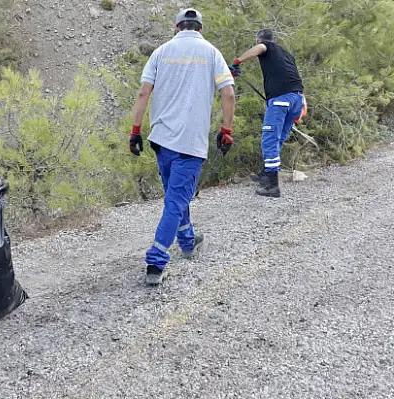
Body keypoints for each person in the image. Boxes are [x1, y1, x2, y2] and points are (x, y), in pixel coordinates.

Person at [129, 8, 236, 286]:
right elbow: (229, 93)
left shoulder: (161, 51)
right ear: (200, 29)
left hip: (161, 140)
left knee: (174, 196)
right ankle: (156, 261)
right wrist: (226, 130)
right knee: (176, 200)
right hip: (190, 142)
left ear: (176, 28)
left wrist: (135, 130)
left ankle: (187, 240)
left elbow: (143, 92)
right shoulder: (212, 53)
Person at [231, 28, 305, 198]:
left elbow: (261, 48)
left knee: (270, 137)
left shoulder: (266, 46)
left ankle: (272, 185)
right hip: (296, 98)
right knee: (278, 137)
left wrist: (237, 61)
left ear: (258, 40)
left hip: (280, 99)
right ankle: (266, 172)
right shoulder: (286, 54)